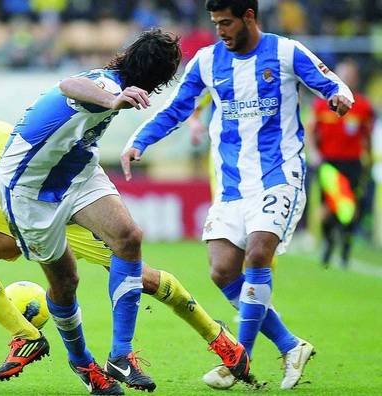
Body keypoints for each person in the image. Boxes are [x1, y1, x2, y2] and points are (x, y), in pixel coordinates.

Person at [0, 112, 249, 390]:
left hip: (65, 200)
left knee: (144, 279)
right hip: (23, 211)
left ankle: (220, 339)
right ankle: (28, 337)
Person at [120, 0, 354, 390]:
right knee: (223, 270)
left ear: (249, 16)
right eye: (215, 24)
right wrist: (138, 142)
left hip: (280, 175)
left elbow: (331, 84)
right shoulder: (208, 61)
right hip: (231, 185)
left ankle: (237, 361)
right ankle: (289, 345)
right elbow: (177, 109)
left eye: (226, 22)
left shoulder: (286, 52)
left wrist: (339, 97)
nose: (220, 31)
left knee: (258, 252)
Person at [307, 58, 375, 268]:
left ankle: (345, 243)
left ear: (355, 79)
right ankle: (329, 243)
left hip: (353, 162)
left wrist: (368, 158)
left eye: (351, 75)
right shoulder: (321, 104)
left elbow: (367, 136)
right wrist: (314, 152)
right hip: (329, 162)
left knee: (350, 207)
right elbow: (310, 130)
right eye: (344, 74)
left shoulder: (362, 106)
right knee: (328, 207)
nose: (347, 78)